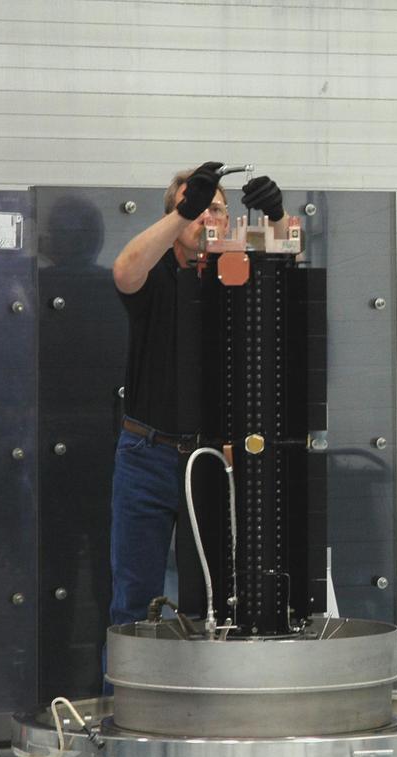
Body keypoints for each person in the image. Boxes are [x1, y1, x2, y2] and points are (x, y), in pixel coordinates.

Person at [107, 162, 287, 630]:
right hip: (148, 454)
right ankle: (126, 701)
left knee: (213, 596)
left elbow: (287, 263)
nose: (210, 218)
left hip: (213, 458)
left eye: (218, 210)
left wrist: (275, 215)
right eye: (198, 209)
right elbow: (125, 270)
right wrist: (182, 212)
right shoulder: (156, 273)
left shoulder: (232, 273)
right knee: (134, 598)